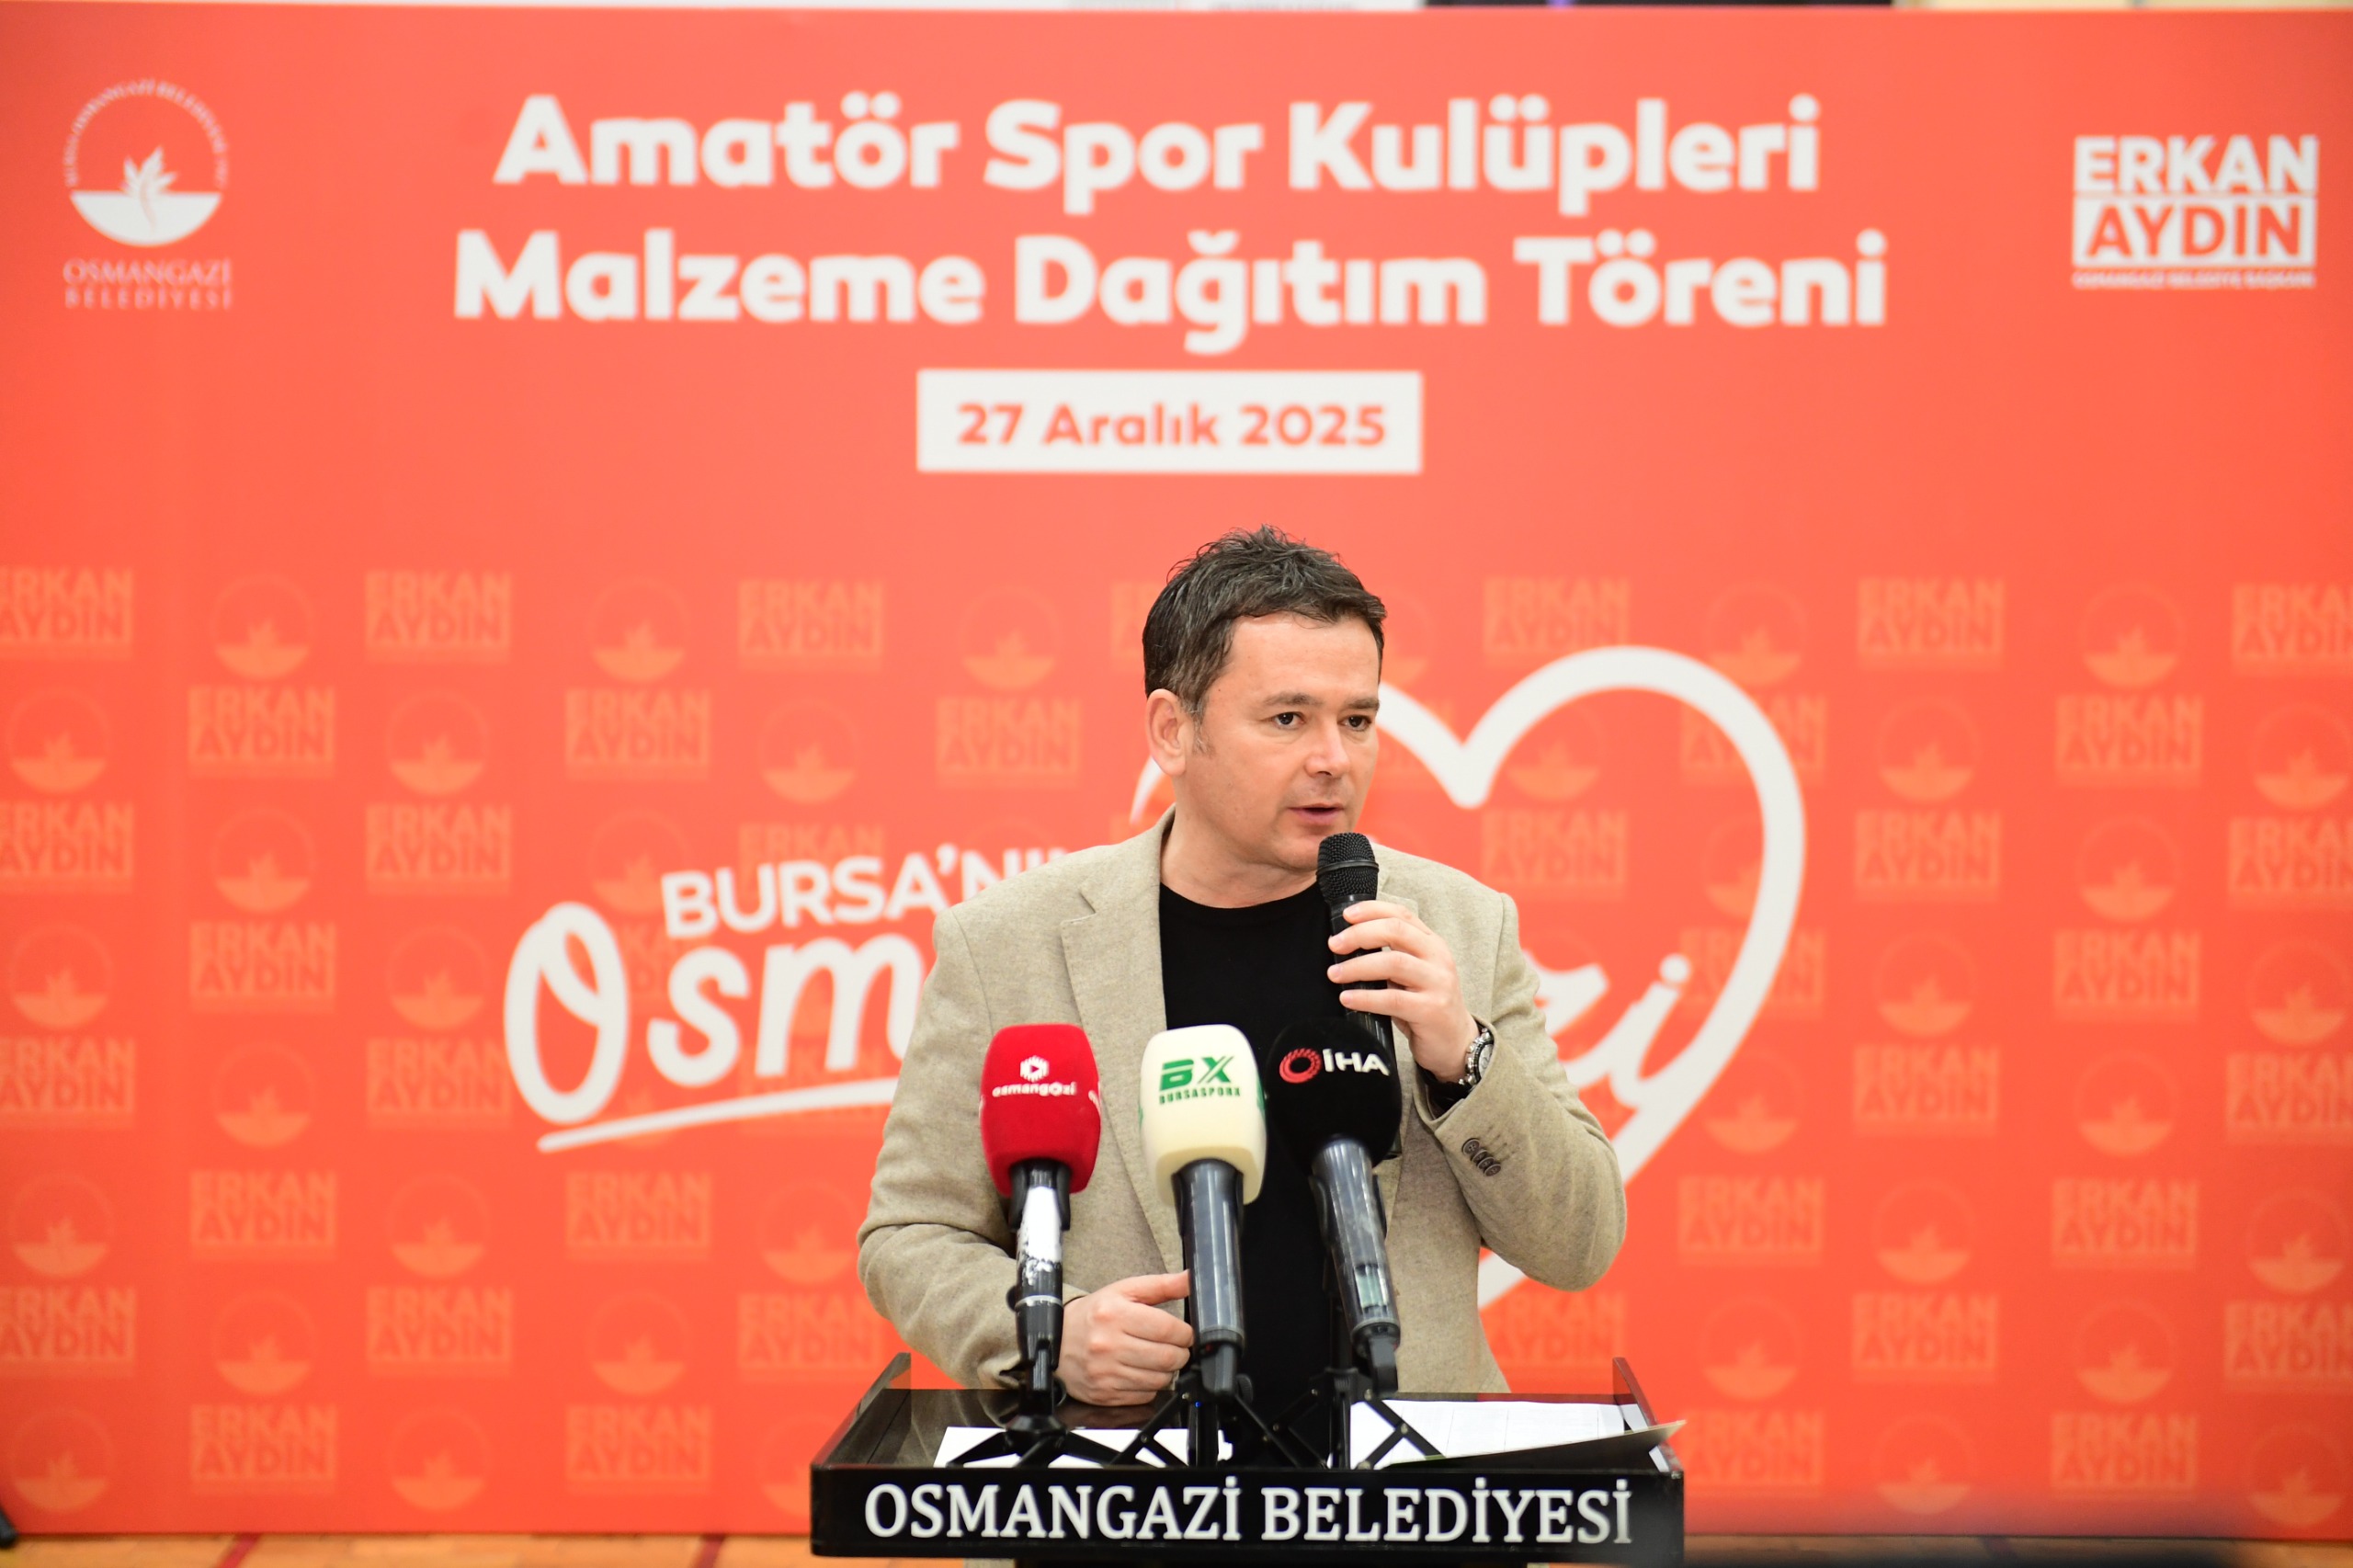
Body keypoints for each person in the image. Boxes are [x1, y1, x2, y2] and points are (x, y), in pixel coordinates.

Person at [858, 528, 1623, 1420]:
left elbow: (1579, 1243)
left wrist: (1464, 1056)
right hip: (1132, 1480)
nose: (1334, 758)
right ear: (1173, 731)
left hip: (1397, 1481)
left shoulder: (1460, 927)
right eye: (1287, 718)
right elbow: (910, 1236)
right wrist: (1046, 1330)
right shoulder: (1007, 944)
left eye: (1358, 720)